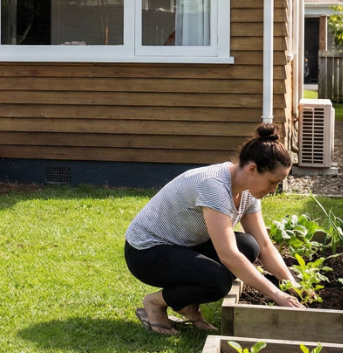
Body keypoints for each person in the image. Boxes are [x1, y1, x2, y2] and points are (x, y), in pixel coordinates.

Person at [124, 123, 305, 336]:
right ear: (252, 169)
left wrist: (291, 284)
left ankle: (188, 306)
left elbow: (264, 245)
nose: (274, 189)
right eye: (272, 182)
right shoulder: (213, 186)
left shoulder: (247, 191)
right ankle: (155, 303)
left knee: (249, 246)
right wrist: (276, 294)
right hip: (146, 252)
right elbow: (228, 255)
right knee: (217, 281)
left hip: (183, 245)